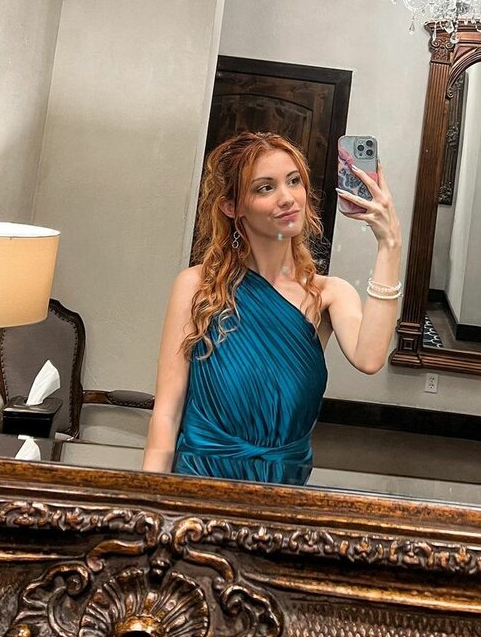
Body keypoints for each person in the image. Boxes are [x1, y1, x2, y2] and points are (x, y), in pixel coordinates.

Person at [142, 131, 402, 484]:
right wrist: (148, 500)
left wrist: (389, 245)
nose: (287, 198)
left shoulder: (327, 294)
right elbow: (166, 415)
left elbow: (369, 359)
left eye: (294, 181)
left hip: (280, 490)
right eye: (265, 188)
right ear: (232, 207)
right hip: (197, 485)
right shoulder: (196, 286)